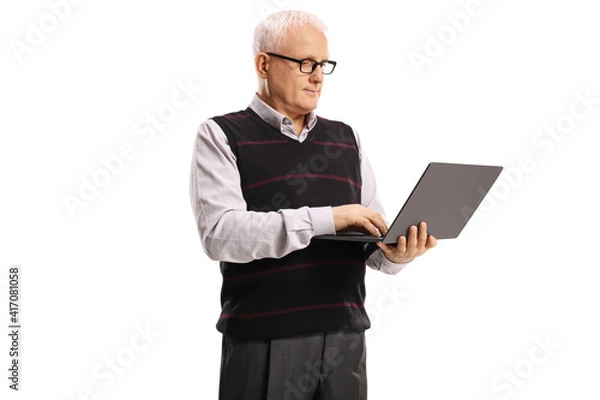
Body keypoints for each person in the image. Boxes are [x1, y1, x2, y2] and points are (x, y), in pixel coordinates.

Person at [189, 10, 437, 400]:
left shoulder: (347, 138)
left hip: (345, 340)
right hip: (264, 339)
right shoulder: (221, 134)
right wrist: (330, 219)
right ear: (264, 64)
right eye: (305, 63)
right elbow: (221, 235)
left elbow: (371, 242)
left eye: (323, 64)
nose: (318, 75)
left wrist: (397, 254)